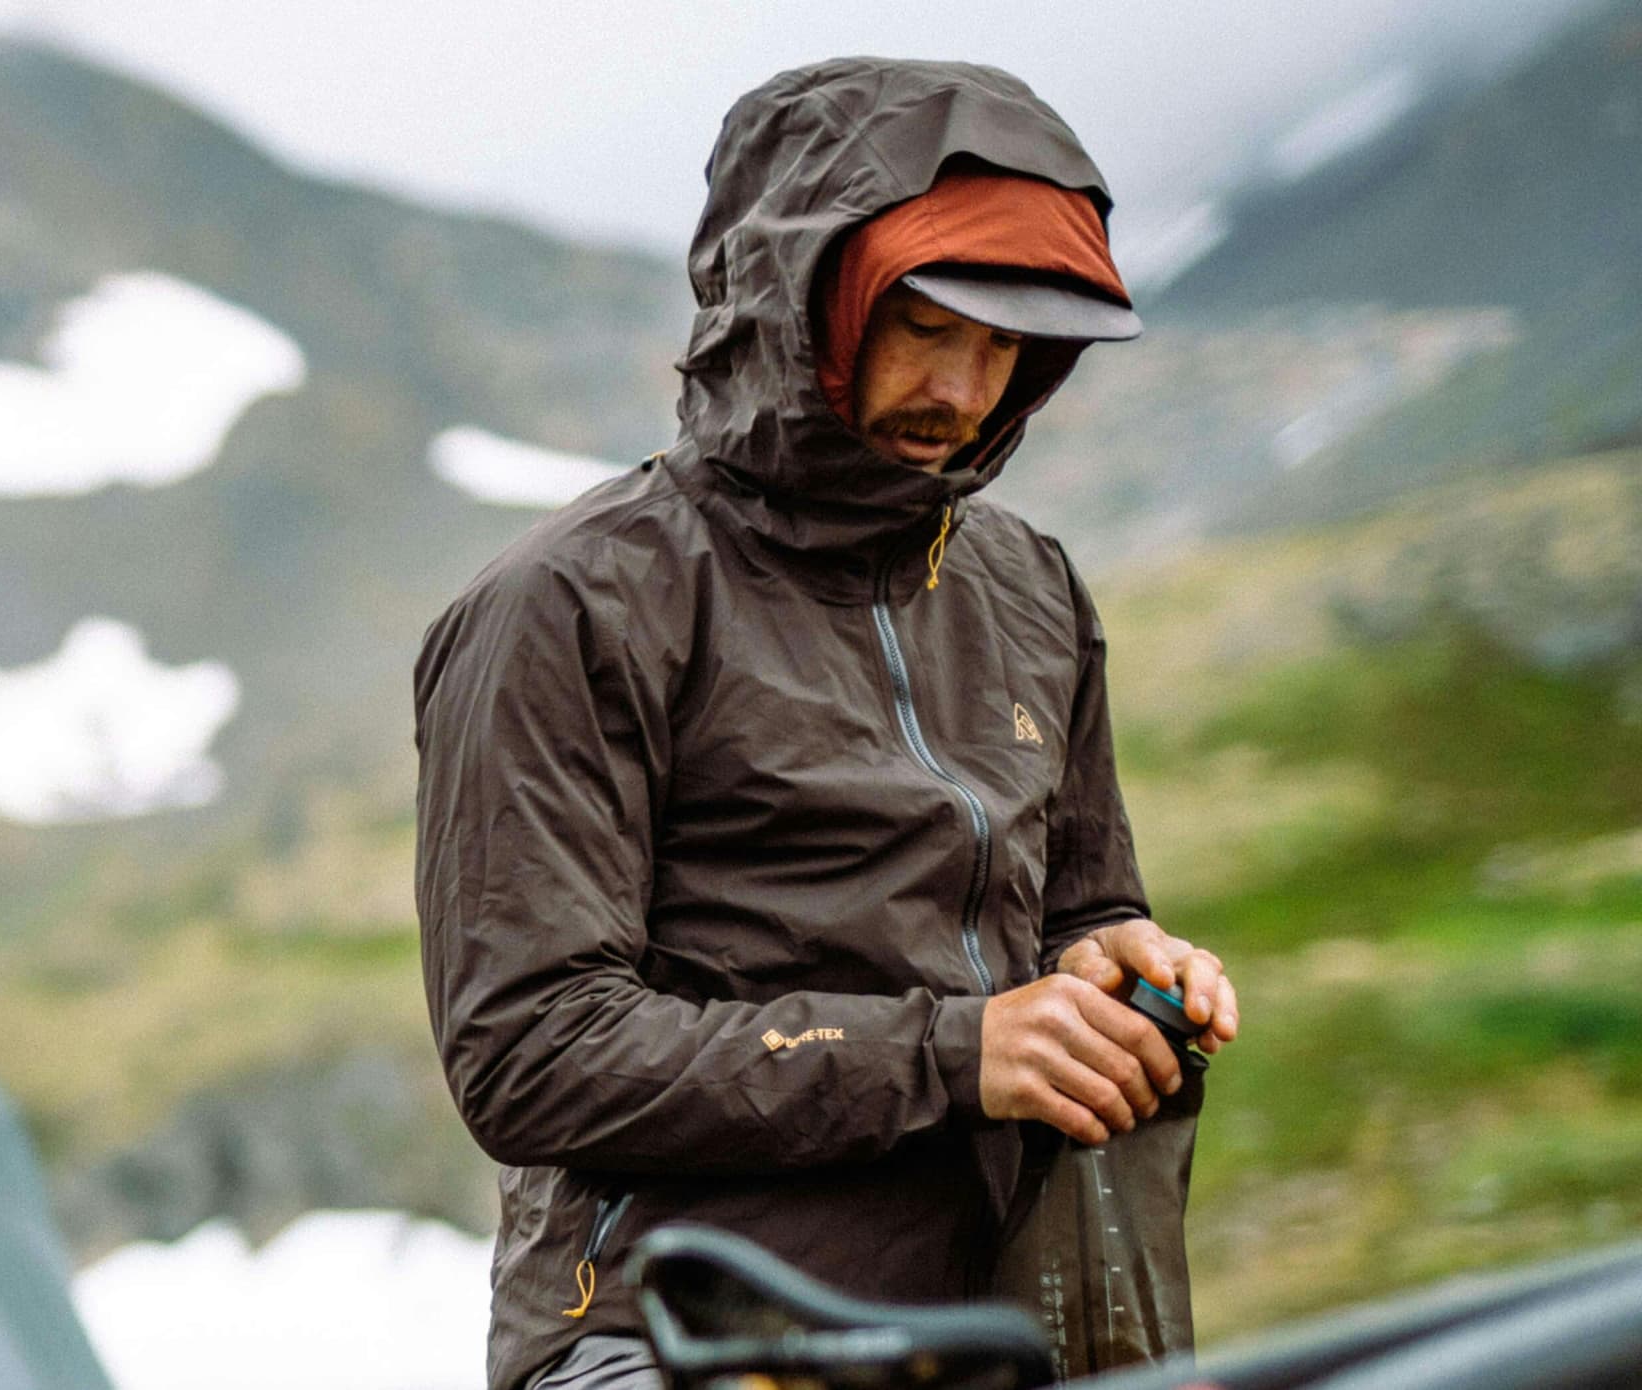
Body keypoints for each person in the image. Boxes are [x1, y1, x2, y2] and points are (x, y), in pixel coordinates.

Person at [410, 58, 1249, 1390]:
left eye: (1013, 342)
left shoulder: (1031, 589)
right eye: (931, 325)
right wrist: (959, 1052)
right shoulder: (568, 603)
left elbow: (1075, 910)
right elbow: (529, 1053)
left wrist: (1118, 965)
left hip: (991, 1332)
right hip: (671, 1335)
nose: (969, 392)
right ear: (800, 303)